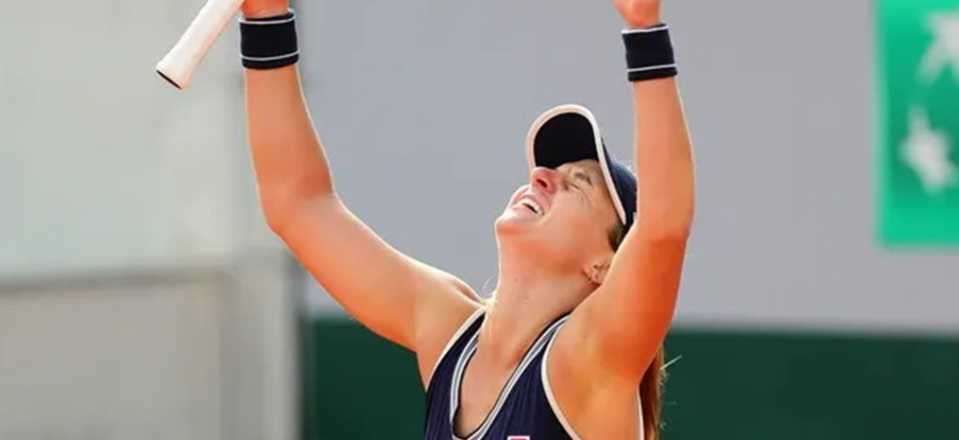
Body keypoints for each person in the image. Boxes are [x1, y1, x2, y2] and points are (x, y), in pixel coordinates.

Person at [238, 0, 694, 438]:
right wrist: (266, 16)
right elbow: (297, 204)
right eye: (546, 170)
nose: (541, 177)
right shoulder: (448, 331)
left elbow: (663, 227)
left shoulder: (589, 361)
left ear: (606, 266)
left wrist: (644, 29)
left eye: (578, 183)